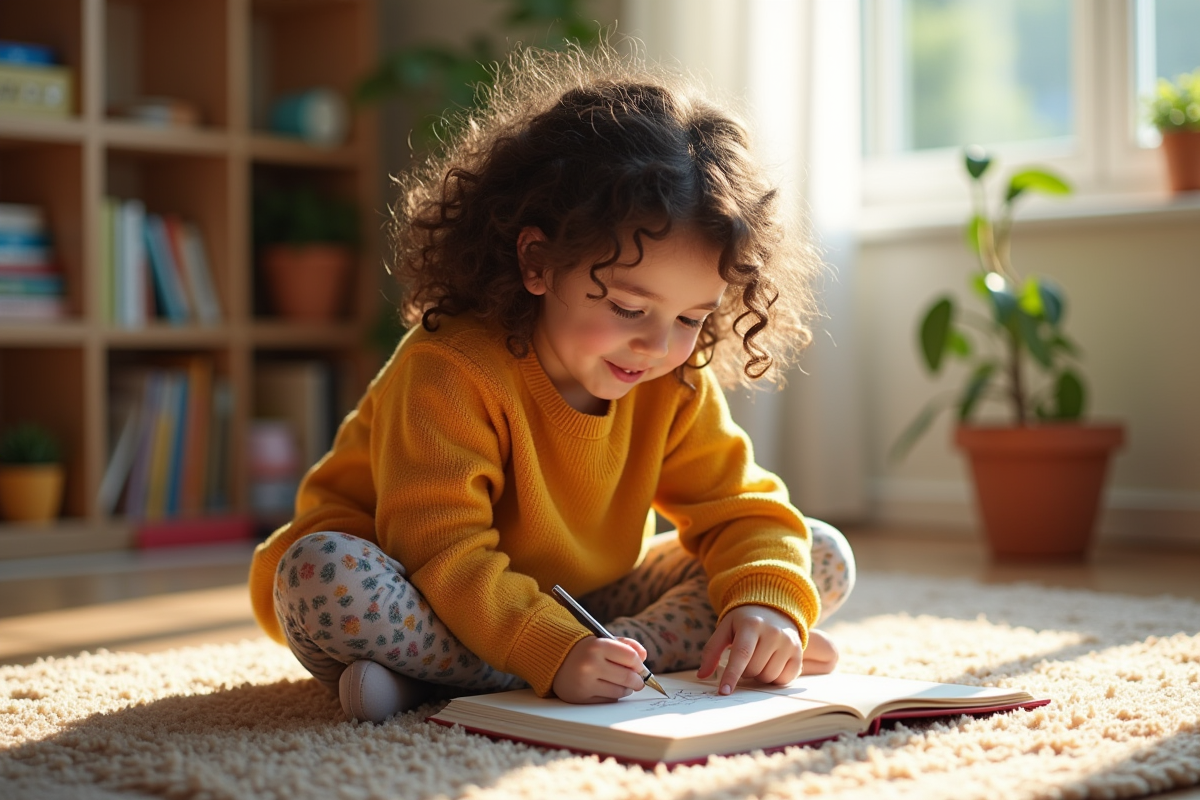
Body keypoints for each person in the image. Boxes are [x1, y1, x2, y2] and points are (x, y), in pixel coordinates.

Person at [248, 43, 856, 723]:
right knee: (320, 574)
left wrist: (765, 610)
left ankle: (471, 676)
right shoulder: (450, 368)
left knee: (813, 557)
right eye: (628, 307)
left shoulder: (672, 380)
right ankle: (533, 667)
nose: (658, 346)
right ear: (538, 261)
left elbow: (740, 508)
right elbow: (442, 550)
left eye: (691, 317)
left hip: (588, 599)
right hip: (423, 585)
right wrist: (553, 649)